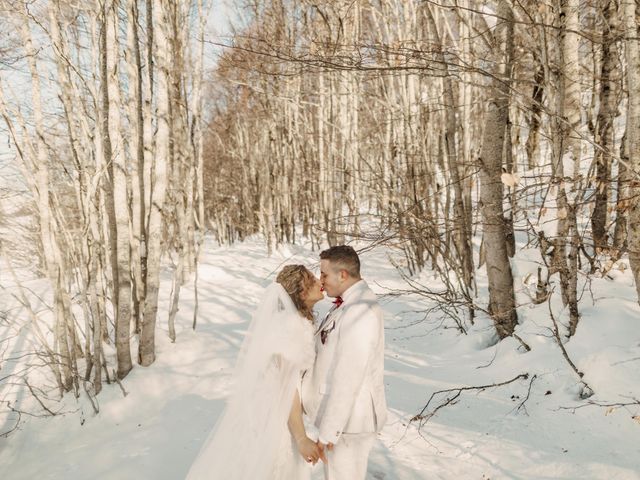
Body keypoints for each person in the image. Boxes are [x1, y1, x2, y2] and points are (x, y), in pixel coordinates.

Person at [186, 265, 326, 480]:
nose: (320, 281)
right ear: (301, 292)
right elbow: (286, 386)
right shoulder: (289, 327)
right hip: (274, 417)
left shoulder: (295, 322)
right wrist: (301, 438)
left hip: (275, 411)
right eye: (313, 279)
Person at [301, 245, 387, 480]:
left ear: (343, 275)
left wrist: (329, 432)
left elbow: (348, 376)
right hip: (344, 423)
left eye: (324, 274)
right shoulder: (348, 304)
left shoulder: (361, 310)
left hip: (350, 424)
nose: (321, 280)